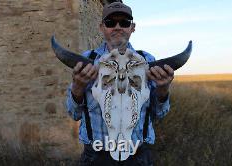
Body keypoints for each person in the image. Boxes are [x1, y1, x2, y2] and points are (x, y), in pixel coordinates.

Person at [66, 2, 174, 166]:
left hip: (138, 156)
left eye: (124, 23)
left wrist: (163, 89)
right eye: (111, 23)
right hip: (95, 157)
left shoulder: (148, 60)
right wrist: (78, 87)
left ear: (132, 27)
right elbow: (74, 114)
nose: (118, 27)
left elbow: (159, 114)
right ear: (102, 27)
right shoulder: (85, 61)